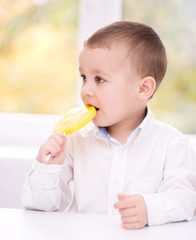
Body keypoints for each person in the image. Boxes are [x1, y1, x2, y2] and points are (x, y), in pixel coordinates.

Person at [22, 21, 196, 230]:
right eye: (84, 77)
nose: (86, 90)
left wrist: (149, 208)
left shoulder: (171, 144)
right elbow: (39, 208)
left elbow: (186, 200)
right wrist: (47, 168)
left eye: (100, 79)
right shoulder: (76, 141)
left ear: (143, 88)